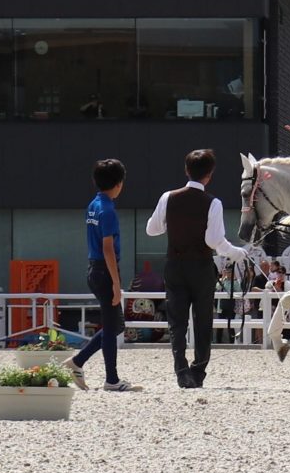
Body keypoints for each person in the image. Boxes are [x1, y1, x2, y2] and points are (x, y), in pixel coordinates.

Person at [146, 149, 247, 388]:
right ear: (209, 175)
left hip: (174, 265)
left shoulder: (167, 197)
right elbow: (215, 242)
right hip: (201, 267)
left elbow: (152, 229)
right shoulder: (213, 203)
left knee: (177, 321)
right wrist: (237, 252)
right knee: (203, 320)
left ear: (186, 170)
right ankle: (198, 371)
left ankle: (181, 370)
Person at [64, 159, 137, 392]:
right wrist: (117, 284)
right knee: (112, 324)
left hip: (94, 269)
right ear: (118, 183)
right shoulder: (108, 210)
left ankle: (78, 362)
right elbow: (108, 249)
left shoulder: (94, 205)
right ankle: (112, 380)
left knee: (115, 325)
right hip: (105, 271)